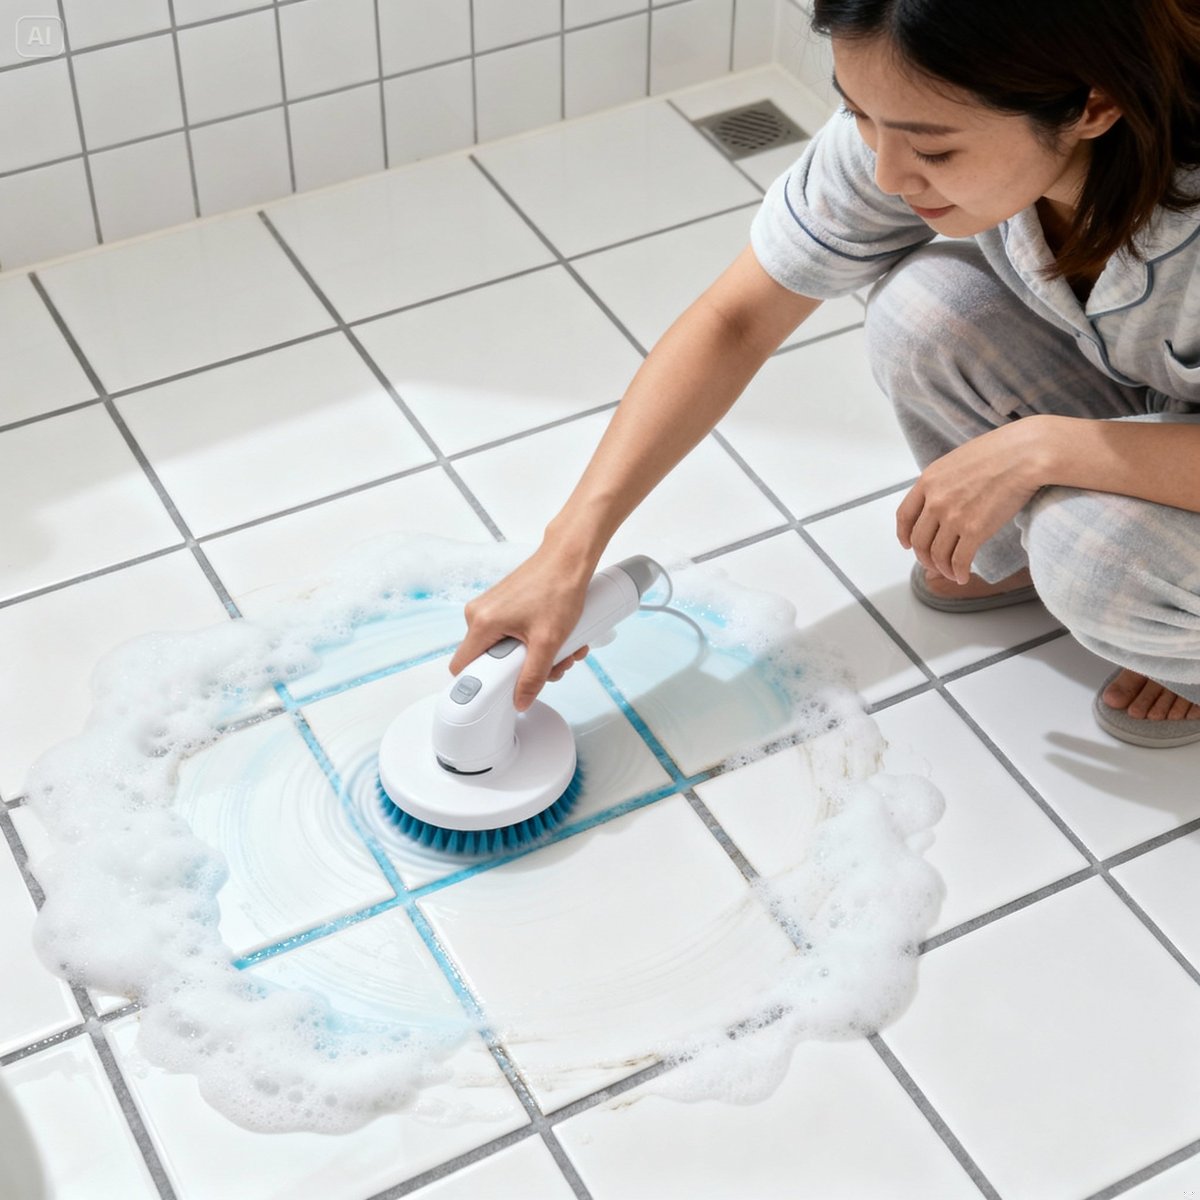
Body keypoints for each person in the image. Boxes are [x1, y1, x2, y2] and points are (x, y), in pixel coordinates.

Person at [450, 0, 1200, 748]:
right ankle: (1021, 563)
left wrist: (1043, 450)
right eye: (861, 116)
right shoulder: (913, 123)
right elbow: (738, 320)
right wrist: (567, 551)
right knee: (926, 310)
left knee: (1096, 554)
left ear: (1093, 103)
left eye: (934, 152)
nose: (887, 172)